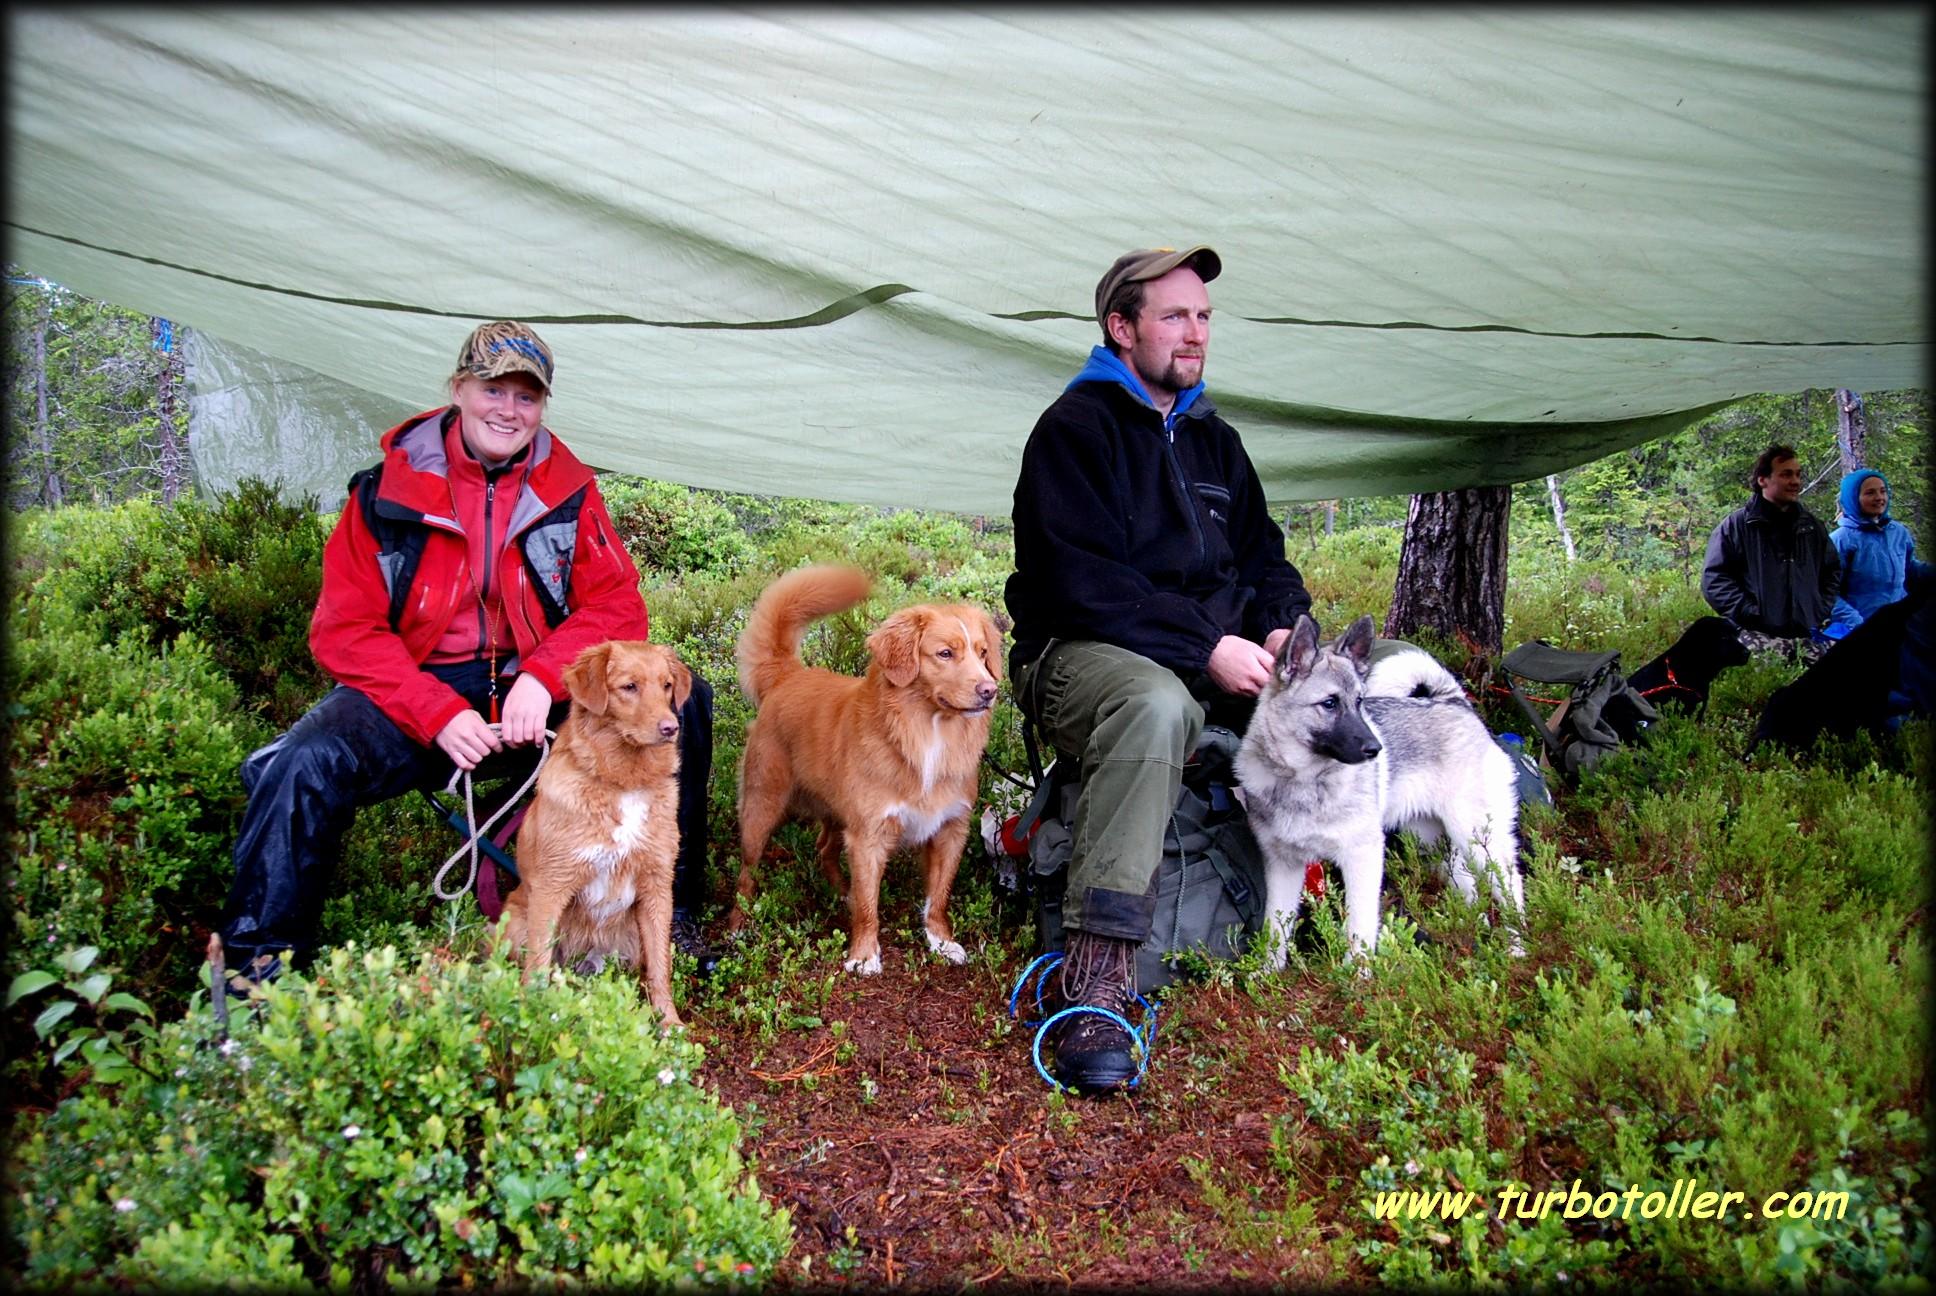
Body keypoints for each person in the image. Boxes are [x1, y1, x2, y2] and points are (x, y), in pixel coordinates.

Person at [218, 321, 719, 992]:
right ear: (458, 390)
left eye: (527, 397)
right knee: (304, 762)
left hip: (529, 686)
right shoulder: (384, 495)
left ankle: (672, 909)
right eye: (493, 390)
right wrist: (435, 712)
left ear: (542, 407)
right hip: (421, 687)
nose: (509, 411)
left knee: (695, 700)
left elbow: (618, 605)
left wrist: (543, 677)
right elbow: (345, 631)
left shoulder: (568, 491)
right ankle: (256, 976)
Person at [1005, 246, 1311, 1094]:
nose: (1195, 333)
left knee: (1368, 681)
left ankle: (1353, 906)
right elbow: (1082, 584)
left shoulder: (1217, 441)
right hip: (1080, 657)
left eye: (1204, 317)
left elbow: (1264, 560)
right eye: (1174, 316)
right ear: (1121, 326)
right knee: (1155, 704)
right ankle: (1099, 978)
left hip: (1210, 654)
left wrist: (1283, 631)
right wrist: (1203, 646)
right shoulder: (1075, 431)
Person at [1700, 444, 1839, 660]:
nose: (1795, 481)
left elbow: (1831, 572)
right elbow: (1714, 580)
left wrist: (1818, 609)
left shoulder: (1811, 527)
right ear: (1762, 479)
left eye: (1797, 475)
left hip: (1807, 635)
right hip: (1758, 637)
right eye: (1786, 475)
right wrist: (1750, 612)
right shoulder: (1737, 526)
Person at [1827, 468, 1931, 633]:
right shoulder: (1840, 540)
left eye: (1883, 491)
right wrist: (1858, 624)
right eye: (1870, 493)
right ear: (1853, 498)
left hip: (1900, 626)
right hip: (1860, 630)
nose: (1879, 498)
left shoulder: (1898, 532)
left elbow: (1909, 569)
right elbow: (1827, 594)